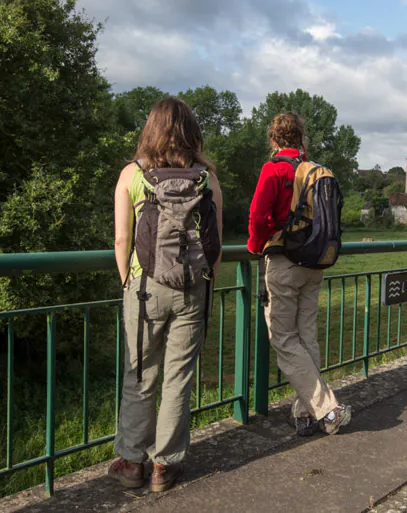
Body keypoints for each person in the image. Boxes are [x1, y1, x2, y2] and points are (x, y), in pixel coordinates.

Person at [109, 97, 223, 492]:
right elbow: (216, 244)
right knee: (178, 377)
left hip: (143, 288)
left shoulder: (133, 174)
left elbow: (122, 238)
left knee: (139, 374)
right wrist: (206, 282)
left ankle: (131, 462)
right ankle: (165, 466)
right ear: (192, 132)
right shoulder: (206, 178)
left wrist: (127, 280)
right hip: (192, 289)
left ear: (151, 130)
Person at [248, 112, 351, 437]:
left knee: (283, 339)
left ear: (274, 139)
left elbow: (257, 216)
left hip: (285, 262)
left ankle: (327, 409)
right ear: (301, 138)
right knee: (306, 337)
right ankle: (305, 414)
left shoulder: (275, 169)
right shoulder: (317, 171)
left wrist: (255, 246)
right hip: (314, 263)